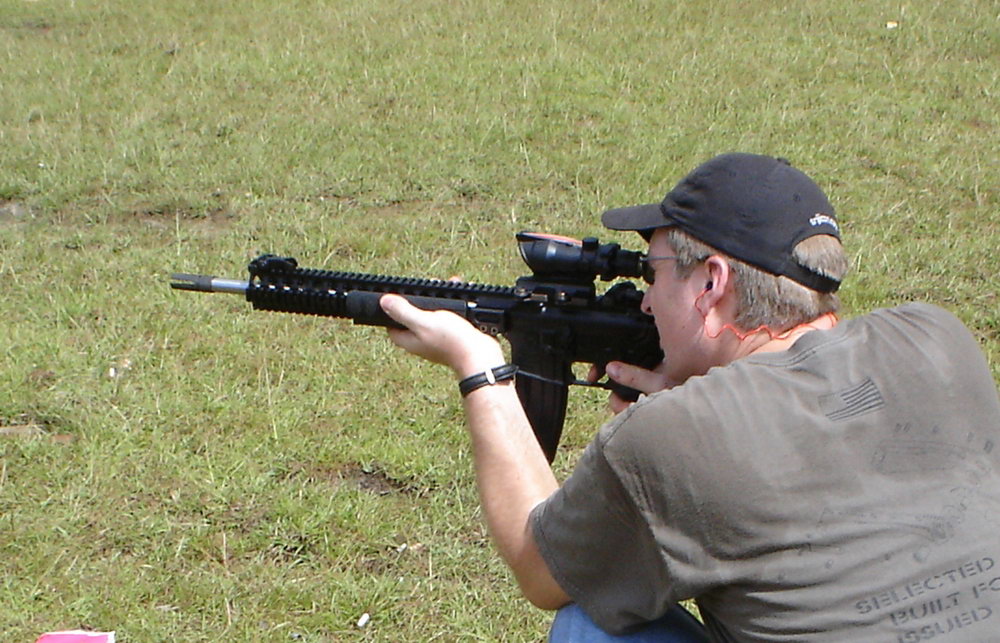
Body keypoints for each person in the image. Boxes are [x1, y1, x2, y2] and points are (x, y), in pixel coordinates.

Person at [379, 153, 1000, 641]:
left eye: (652, 273)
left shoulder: (668, 433)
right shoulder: (935, 339)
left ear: (711, 283)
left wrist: (480, 366)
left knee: (591, 624)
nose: (647, 301)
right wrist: (704, 393)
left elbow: (539, 567)